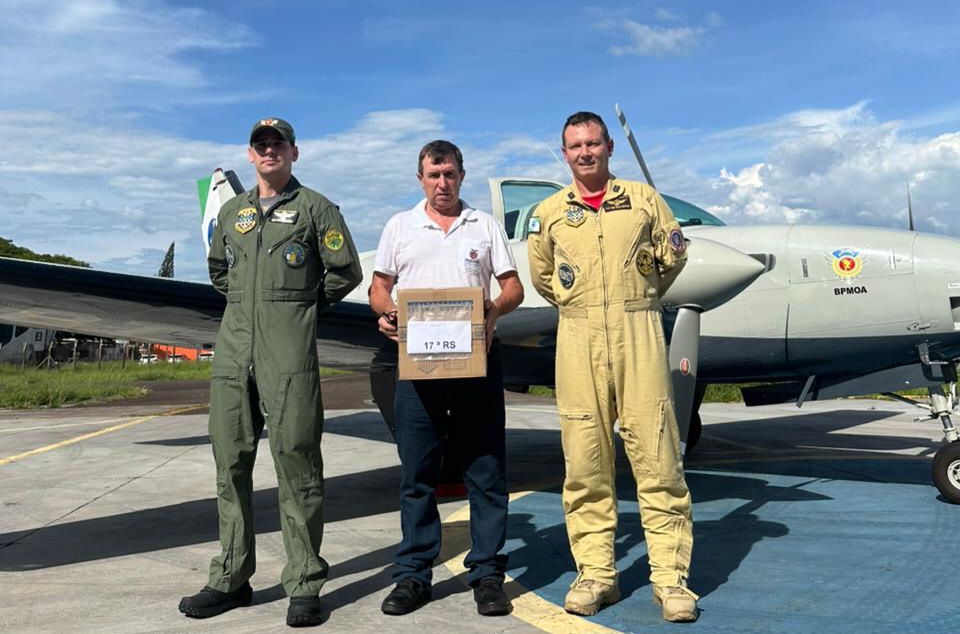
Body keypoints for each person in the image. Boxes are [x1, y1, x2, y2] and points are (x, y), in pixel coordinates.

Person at [179, 117, 362, 627]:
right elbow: (219, 270)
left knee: (297, 463)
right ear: (250, 153)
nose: (268, 150)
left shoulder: (317, 209)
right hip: (233, 353)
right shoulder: (233, 212)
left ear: (293, 152)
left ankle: (303, 582)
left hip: (288, 356)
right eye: (260, 144)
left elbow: (345, 270)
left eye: (277, 143)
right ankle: (231, 577)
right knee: (230, 464)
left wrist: (297, 307)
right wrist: (249, 304)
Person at [526, 112, 699, 622]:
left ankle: (670, 580)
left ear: (608, 148)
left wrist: (637, 299)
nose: (585, 152)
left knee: (659, 460)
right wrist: (580, 304)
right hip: (577, 335)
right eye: (575, 145)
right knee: (585, 464)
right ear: (565, 153)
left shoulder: (644, 200)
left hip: (638, 330)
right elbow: (543, 276)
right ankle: (597, 575)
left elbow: (672, 258)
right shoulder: (549, 213)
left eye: (593, 143)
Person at [368, 140, 523, 617]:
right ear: (421, 179)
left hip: (476, 366)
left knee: (486, 472)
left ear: (461, 176)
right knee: (418, 473)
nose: (442, 183)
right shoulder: (400, 226)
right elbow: (379, 288)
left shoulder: (485, 225)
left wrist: (492, 310)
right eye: (434, 175)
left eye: (450, 174)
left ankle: (487, 574)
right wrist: (387, 313)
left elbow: (513, 287)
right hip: (419, 369)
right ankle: (414, 574)